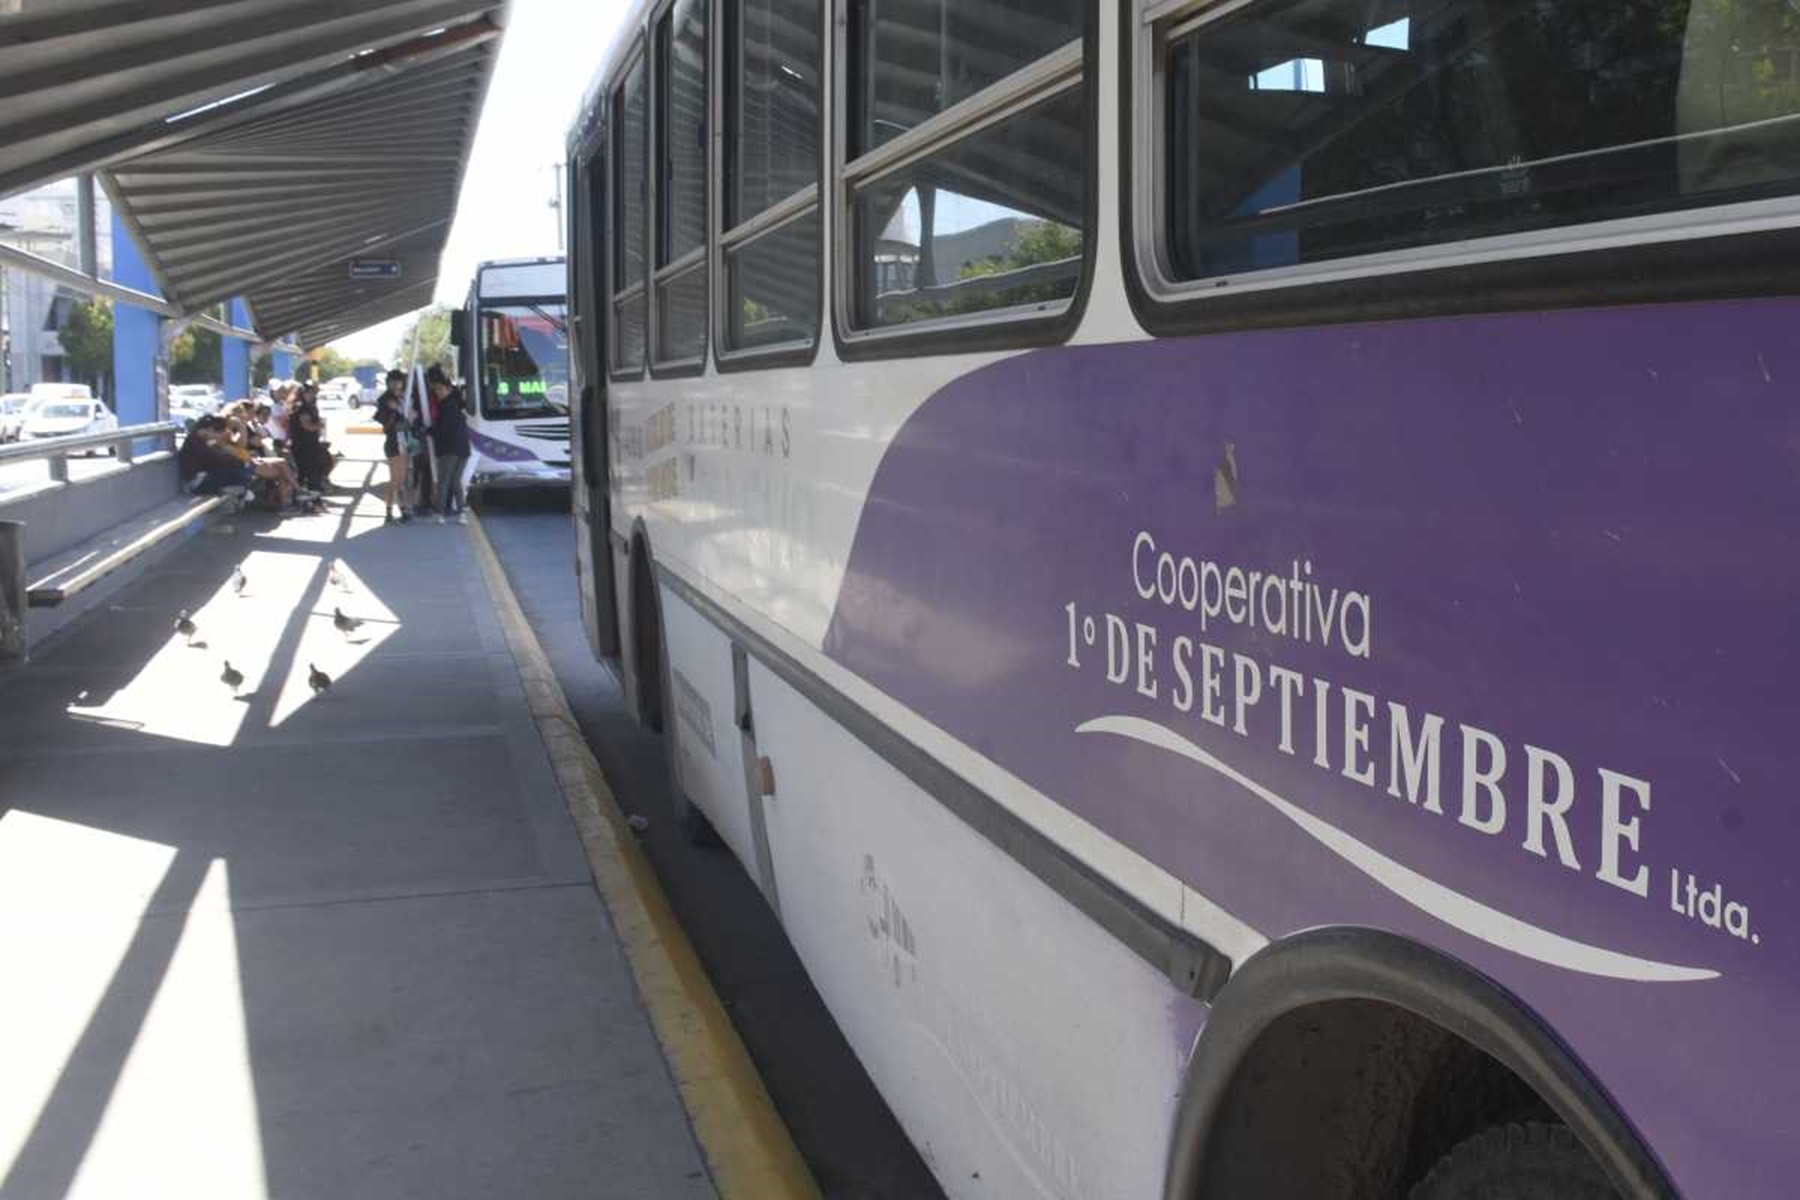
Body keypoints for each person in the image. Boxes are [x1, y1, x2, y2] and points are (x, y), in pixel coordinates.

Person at [427, 365, 472, 524]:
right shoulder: (457, 404)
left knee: (444, 482)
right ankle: (462, 513)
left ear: (448, 389)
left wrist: (427, 431)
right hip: (464, 450)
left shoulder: (446, 406)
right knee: (456, 482)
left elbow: (442, 430)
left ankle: (439, 514)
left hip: (450, 450)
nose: (438, 393)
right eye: (436, 390)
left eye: (440, 390)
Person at [373, 370, 412, 523]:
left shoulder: (401, 397)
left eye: (399, 381)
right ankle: (390, 512)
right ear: (388, 382)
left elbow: (407, 419)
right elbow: (386, 425)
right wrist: (394, 411)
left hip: (402, 441)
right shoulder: (385, 400)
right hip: (393, 442)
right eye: (393, 381)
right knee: (396, 479)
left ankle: (401, 510)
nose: (397, 384)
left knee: (400, 479)